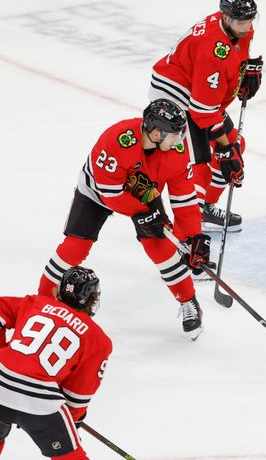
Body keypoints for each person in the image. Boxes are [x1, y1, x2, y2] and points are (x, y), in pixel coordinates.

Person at [38, 99, 210, 340]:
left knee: (160, 247)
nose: (180, 141)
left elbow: (184, 200)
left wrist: (193, 237)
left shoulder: (176, 152)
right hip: (97, 192)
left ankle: (188, 301)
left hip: (147, 193)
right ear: (156, 133)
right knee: (75, 247)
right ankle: (41, 301)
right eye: (174, 135)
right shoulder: (117, 140)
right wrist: (143, 214)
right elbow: (110, 193)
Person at [0, 266, 111, 460]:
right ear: (93, 298)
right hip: (40, 403)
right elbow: (78, 393)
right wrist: (71, 421)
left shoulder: (36, 303)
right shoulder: (97, 339)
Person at [149, 0, 263, 233]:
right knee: (199, 159)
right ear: (225, 17)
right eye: (242, 21)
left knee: (235, 146)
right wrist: (222, 148)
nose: (247, 26)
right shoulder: (212, 49)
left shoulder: (237, 27)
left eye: (251, 19)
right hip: (176, 95)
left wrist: (243, 74)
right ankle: (182, 219)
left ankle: (205, 207)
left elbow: (238, 52)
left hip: (197, 92)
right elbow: (202, 111)